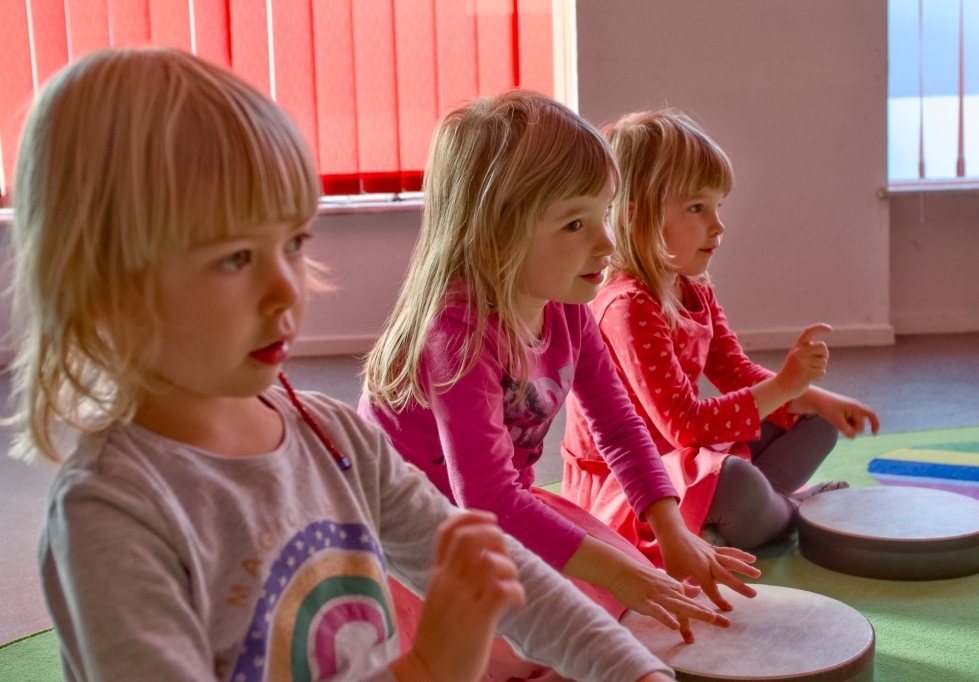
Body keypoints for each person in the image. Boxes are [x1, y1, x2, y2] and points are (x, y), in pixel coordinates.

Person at [9, 48, 680, 682]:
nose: (287, 290)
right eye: (236, 257)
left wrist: (633, 668)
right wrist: (424, 670)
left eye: (295, 242)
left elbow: (503, 574)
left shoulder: (336, 438)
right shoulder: (112, 515)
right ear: (105, 289)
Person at [359, 92, 760, 646]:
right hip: (417, 541)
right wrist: (620, 570)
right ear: (496, 233)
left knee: (623, 596)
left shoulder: (569, 310)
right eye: (575, 224)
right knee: (563, 634)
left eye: (603, 216)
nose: (606, 243)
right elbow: (488, 500)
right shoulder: (457, 336)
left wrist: (671, 533)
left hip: (500, 513)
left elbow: (620, 427)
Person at [561, 109, 880, 554]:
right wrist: (787, 384)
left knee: (812, 425)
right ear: (636, 217)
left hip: (688, 462)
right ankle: (788, 513)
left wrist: (819, 400)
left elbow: (736, 372)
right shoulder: (627, 306)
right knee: (733, 480)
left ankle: (759, 511)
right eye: (696, 208)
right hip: (636, 484)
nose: (719, 225)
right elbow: (685, 427)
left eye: (717, 206)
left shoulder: (692, 288)